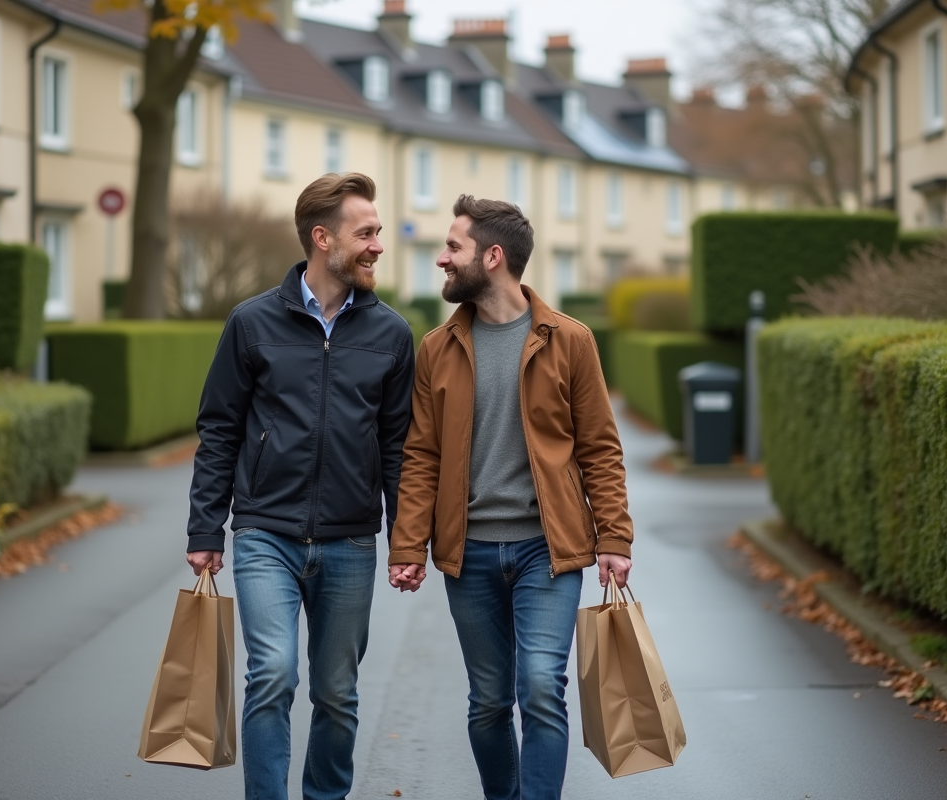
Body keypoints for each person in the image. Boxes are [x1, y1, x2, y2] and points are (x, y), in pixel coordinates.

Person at [388, 195, 634, 800]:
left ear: (492, 257)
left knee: (542, 686)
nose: (442, 259)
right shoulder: (436, 349)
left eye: (453, 247)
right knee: (490, 702)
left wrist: (615, 537)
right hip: (467, 556)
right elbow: (421, 455)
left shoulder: (569, 341)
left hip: (546, 551)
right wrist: (408, 545)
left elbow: (599, 448)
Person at [186, 173, 414, 800]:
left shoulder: (391, 334)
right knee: (273, 675)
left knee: (337, 694)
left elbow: (398, 447)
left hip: (349, 543)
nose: (376, 245)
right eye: (364, 233)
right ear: (323, 238)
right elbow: (220, 429)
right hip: (266, 534)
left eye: (377, 232)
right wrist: (207, 528)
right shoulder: (251, 322)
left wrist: (405, 539)